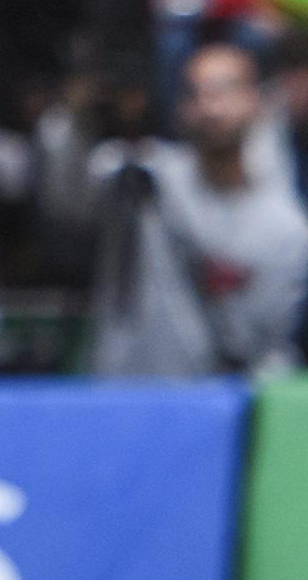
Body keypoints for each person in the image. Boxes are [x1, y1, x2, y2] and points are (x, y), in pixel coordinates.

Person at [89, 44, 308, 378]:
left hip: (218, 399)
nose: (209, 105)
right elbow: (86, 182)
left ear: (257, 101)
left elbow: (270, 347)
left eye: (225, 89)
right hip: (126, 391)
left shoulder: (287, 228)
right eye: (195, 92)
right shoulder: (146, 178)